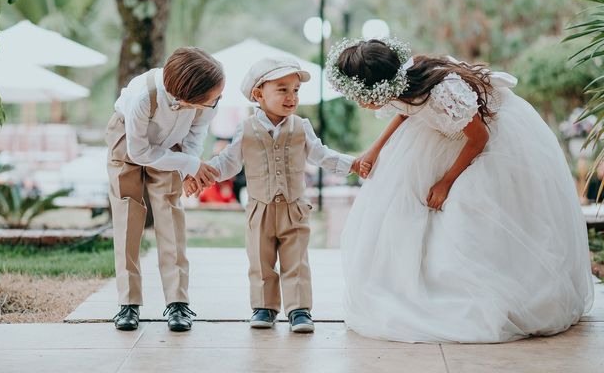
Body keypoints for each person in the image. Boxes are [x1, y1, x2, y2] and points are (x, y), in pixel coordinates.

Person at [327, 37, 594, 343]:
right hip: (442, 133)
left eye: (361, 96)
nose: (360, 103)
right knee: (401, 203)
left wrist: (446, 182)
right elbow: (406, 109)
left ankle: (477, 288)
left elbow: (479, 138)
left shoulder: (444, 94)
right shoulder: (403, 84)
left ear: (380, 86)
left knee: (466, 210)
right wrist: (375, 148)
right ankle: (407, 283)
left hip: (484, 141)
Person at [189, 57, 359, 333]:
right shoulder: (245, 129)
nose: (292, 97)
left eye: (295, 90)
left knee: (296, 260)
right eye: (282, 89)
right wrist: (201, 173)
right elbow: (228, 163)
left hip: (294, 206)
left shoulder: (301, 126)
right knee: (260, 259)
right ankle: (264, 307)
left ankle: (299, 310)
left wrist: (352, 164)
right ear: (258, 94)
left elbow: (321, 154)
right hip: (260, 207)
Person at [105, 46, 223, 332]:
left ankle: (177, 302)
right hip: (130, 142)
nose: (218, 101)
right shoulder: (143, 97)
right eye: (213, 98)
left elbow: (196, 136)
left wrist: (188, 168)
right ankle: (128, 303)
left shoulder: (208, 100)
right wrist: (188, 163)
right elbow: (141, 152)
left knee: (170, 215)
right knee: (128, 217)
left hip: (173, 145)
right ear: (186, 97)